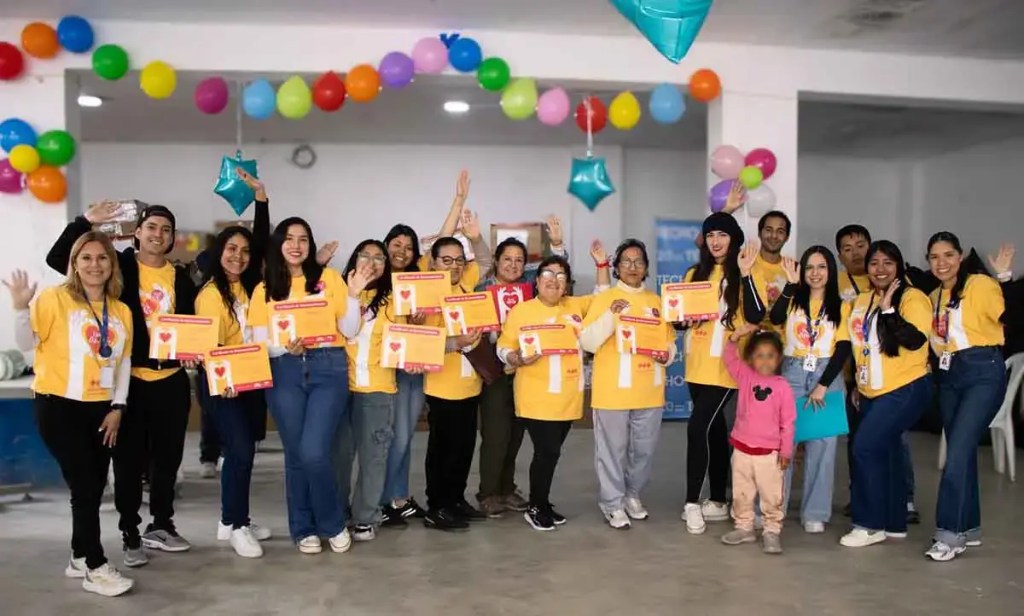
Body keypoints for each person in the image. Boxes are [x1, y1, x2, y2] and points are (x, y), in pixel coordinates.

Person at [47, 201, 198, 564]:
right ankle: (130, 533)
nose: (158, 235)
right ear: (138, 232)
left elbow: (192, 324)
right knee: (128, 462)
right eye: (151, 227)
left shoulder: (180, 277)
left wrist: (196, 349)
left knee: (168, 459)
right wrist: (85, 222)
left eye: (165, 229)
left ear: (173, 238)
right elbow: (59, 259)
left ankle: (162, 525)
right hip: (129, 380)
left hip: (172, 380)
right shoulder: (120, 266)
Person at [5, 234, 134, 597]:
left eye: (102, 258)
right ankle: (95, 565)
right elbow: (26, 343)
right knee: (86, 485)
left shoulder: (120, 310)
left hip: (102, 409)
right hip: (59, 405)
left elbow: (122, 364)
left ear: (112, 265)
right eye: (87, 258)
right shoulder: (54, 298)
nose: (95, 265)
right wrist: (18, 307)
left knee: (91, 486)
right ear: (74, 264)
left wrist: (117, 408)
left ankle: (79, 555)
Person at [248, 217, 364, 554]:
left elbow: (350, 328)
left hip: (328, 366)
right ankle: (302, 528)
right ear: (278, 244)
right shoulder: (265, 288)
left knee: (314, 450)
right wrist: (286, 347)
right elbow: (260, 342)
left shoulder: (328, 279)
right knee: (297, 454)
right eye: (289, 238)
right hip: (284, 369)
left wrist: (353, 295)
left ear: (310, 245)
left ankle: (331, 522)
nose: (296, 245)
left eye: (303, 239)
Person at [193, 169, 272, 558]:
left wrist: (261, 199)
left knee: (247, 449)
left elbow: (260, 243)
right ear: (218, 253)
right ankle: (237, 524)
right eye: (231, 250)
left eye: (244, 251)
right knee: (239, 449)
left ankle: (231, 518)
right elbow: (209, 351)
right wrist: (222, 381)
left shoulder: (253, 285)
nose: (239, 256)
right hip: (223, 385)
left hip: (253, 380)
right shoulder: (210, 294)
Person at [924, 233, 1012, 561]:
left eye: (948, 255)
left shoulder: (979, 285)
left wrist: (1003, 278)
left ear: (960, 257)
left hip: (981, 371)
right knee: (962, 450)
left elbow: (1008, 317)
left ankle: (949, 534)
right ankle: (970, 526)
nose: (941, 262)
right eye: (934, 257)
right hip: (949, 376)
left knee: (957, 452)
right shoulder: (933, 296)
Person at [473, 216, 567, 517]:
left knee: (515, 435)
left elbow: (556, 273)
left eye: (519, 260)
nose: (512, 265)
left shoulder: (529, 287)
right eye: (507, 259)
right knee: (496, 435)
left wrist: (557, 244)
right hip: (495, 371)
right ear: (496, 262)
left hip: (527, 370)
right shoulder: (483, 288)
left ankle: (506, 488)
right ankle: (488, 493)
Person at [840, 240, 932, 548]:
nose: (880, 269)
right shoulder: (862, 300)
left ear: (899, 266)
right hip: (870, 391)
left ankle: (869, 523)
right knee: (888, 453)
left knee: (864, 448)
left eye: (887, 263)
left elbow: (916, 341)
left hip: (904, 388)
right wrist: (855, 384)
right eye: (874, 263)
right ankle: (894, 523)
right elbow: (860, 347)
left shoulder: (913, 298)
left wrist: (890, 311)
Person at [580, 238, 677, 530]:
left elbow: (669, 343)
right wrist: (612, 315)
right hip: (613, 392)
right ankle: (612, 502)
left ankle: (632, 495)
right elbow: (588, 341)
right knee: (613, 450)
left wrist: (667, 355)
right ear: (616, 268)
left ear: (646, 268)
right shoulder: (605, 298)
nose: (633, 267)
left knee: (644, 450)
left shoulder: (657, 301)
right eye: (626, 262)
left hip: (649, 390)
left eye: (639, 262)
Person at [679, 213, 766, 535]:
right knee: (714, 430)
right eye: (711, 234)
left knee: (696, 427)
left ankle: (691, 503)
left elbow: (757, 313)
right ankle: (717, 500)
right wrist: (681, 321)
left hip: (727, 366)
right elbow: (677, 318)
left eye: (723, 235)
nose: (716, 241)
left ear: (734, 238)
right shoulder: (695, 273)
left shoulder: (744, 271)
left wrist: (744, 275)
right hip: (696, 364)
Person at [496, 256, 590, 530]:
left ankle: (543, 501)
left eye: (561, 276)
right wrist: (515, 358)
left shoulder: (575, 307)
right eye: (548, 274)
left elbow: (603, 299)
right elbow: (503, 346)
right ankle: (536, 506)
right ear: (536, 281)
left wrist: (601, 267)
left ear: (567, 285)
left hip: (568, 396)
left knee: (552, 452)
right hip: (535, 396)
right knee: (546, 451)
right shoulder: (522, 311)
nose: (554, 280)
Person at [769, 246, 851, 533]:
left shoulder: (842, 305)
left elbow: (843, 349)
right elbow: (777, 316)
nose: (815, 273)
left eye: (822, 267)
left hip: (826, 373)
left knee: (823, 446)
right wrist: (790, 285)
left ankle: (815, 512)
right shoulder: (793, 299)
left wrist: (823, 385)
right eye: (810, 268)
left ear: (831, 271)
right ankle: (773, 508)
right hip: (792, 371)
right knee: (783, 443)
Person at [334, 239, 406, 542]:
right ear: (355, 259)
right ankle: (336, 513)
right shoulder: (338, 293)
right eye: (366, 255)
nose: (373, 262)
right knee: (338, 455)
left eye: (379, 257)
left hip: (378, 388)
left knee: (374, 455)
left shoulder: (396, 299)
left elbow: (408, 341)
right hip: (339, 387)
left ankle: (366, 516)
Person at [421, 235, 491, 532]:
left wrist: (475, 237)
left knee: (464, 447)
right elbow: (421, 342)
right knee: (443, 449)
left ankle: (456, 499)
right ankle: (437, 506)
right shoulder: (425, 294)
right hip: (441, 386)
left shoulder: (466, 286)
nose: (454, 266)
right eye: (446, 260)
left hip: (470, 383)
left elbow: (486, 260)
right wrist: (455, 342)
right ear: (433, 263)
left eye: (459, 260)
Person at [719, 326, 795, 555]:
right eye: (759, 355)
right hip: (742, 449)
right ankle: (744, 527)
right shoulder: (745, 377)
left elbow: (788, 422)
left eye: (770, 356)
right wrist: (734, 338)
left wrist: (785, 451)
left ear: (778, 358)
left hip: (769, 454)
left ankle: (771, 530)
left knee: (771, 495)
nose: (764, 361)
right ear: (751, 358)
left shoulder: (783, 387)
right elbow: (729, 358)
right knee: (741, 492)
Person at [749, 210, 792, 330]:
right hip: (748, 341)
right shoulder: (745, 263)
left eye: (780, 231)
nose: (774, 236)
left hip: (781, 344)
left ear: (787, 237)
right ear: (759, 233)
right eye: (768, 230)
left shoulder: (793, 270)